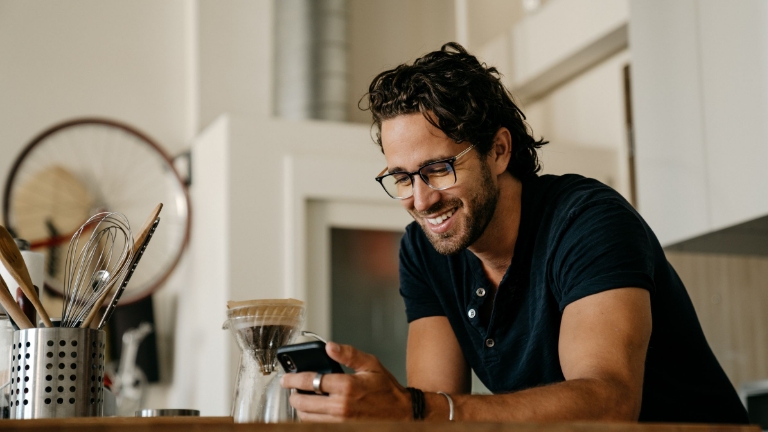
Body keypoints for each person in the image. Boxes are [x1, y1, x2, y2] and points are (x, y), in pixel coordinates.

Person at [281, 42, 749, 424]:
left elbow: (609, 406)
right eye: (402, 178)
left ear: (499, 151)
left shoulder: (588, 222)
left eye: (439, 169)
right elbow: (431, 410)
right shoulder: (424, 253)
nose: (421, 201)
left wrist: (414, 410)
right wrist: (386, 413)